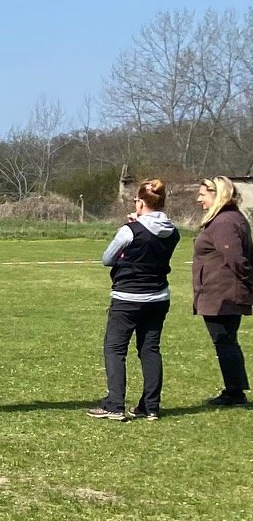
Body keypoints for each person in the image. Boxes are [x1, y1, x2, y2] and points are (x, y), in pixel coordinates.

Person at [90, 178, 178, 421]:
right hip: (158, 296)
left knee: (115, 349)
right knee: (150, 349)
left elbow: (107, 258)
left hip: (127, 297)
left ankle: (114, 404)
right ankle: (151, 406)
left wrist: (132, 227)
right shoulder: (172, 232)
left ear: (140, 203)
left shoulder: (130, 230)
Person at [191, 176, 253, 406]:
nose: (199, 199)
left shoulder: (224, 222)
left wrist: (249, 281)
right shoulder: (229, 218)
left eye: (203, 194)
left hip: (222, 294)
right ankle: (234, 389)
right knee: (226, 340)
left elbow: (236, 258)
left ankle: (234, 392)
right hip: (221, 292)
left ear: (217, 194)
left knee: (224, 340)